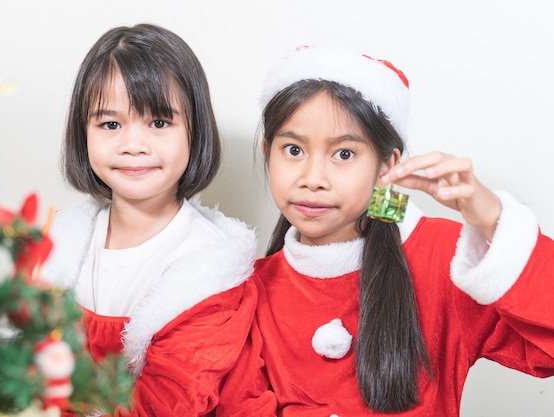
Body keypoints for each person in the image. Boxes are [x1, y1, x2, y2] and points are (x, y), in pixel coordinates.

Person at [217, 44, 554, 416]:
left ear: (386, 166)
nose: (312, 179)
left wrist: (492, 218)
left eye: (344, 154)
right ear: (267, 152)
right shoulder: (249, 287)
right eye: (293, 150)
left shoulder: (444, 256)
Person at [41, 23, 257, 416]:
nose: (133, 145)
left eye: (159, 123)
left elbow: (163, 406)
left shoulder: (209, 271)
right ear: (82, 132)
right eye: (110, 124)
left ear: (195, 130)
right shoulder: (61, 244)